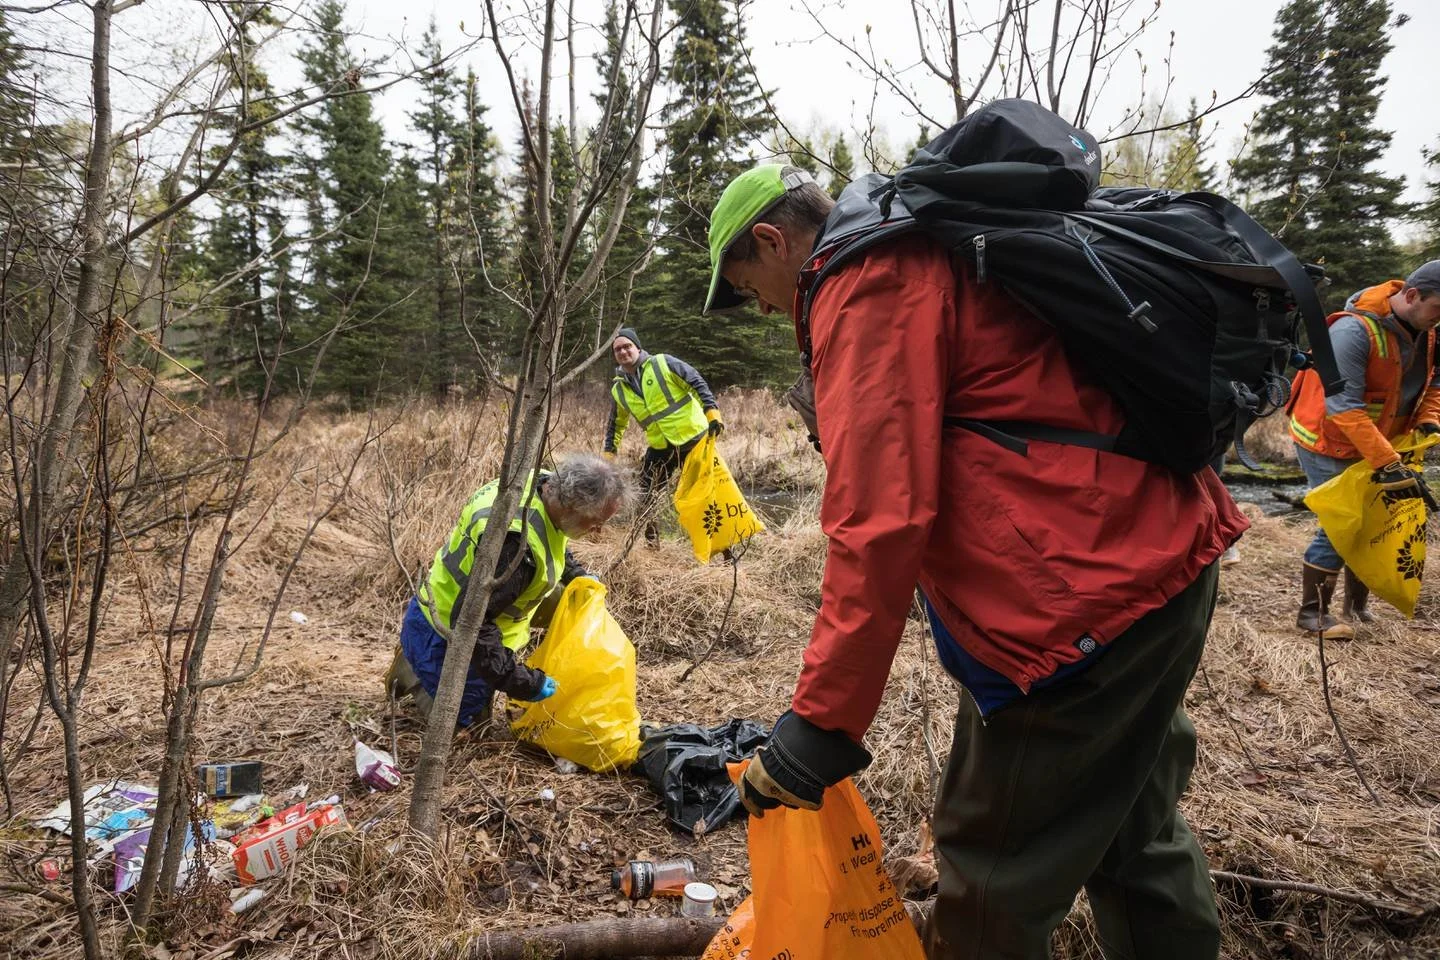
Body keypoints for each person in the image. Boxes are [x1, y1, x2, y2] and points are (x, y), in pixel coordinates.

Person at [704, 164, 1247, 960]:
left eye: (750, 286)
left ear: (771, 239)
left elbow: (879, 521)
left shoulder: (867, 281)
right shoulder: (926, 245)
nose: (759, 306)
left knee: (991, 865)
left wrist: (820, 726)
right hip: (1156, 558)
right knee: (1133, 832)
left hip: (1079, 605)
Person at [384, 454, 627, 727]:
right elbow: (474, 624)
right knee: (469, 724)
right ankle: (412, 671)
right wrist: (523, 682)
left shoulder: (539, 482)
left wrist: (578, 576)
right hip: (444, 626)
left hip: (459, 597)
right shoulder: (516, 551)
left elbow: (552, 537)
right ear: (570, 506)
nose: (598, 531)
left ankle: (420, 660)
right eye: (594, 521)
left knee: (570, 600)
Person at [1286, 260, 1440, 637]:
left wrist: (1428, 419)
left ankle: (1355, 608)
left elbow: (1435, 386)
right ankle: (1312, 615)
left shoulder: (1431, 330)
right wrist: (1388, 463)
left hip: (1382, 437)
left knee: (1376, 520)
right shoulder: (1353, 332)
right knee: (1343, 524)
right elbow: (1343, 408)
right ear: (1412, 295)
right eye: (1439, 308)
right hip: (1329, 439)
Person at [602, 327, 723, 545]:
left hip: (693, 440)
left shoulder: (662, 363)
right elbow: (616, 425)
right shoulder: (619, 389)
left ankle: (724, 550)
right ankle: (652, 546)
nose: (623, 352)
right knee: (644, 496)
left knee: (707, 496)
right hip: (660, 447)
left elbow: (696, 381)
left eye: (627, 346)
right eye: (617, 349)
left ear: (638, 347)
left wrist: (712, 411)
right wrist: (609, 455)